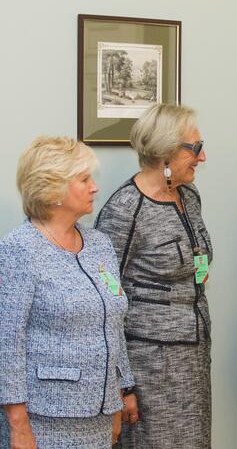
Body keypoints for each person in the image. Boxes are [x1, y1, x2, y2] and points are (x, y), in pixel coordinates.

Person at [0, 136, 135, 448]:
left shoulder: (100, 245)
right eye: (84, 179)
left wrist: (119, 393)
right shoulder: (19, 249)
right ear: (52, 190)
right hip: (42, 419)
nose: (95, 187)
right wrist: (18, 424)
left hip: (99, 416)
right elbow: (7, 342)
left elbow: (114, 324)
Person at [95, 103, 212, 448]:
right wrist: (123, 385)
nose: (202, 158)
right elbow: (105, 300)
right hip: (150, 368)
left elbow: (196, 262)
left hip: (193, 358)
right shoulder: (125, 210)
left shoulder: (188, 197)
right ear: (165, 152)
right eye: (195, 149)